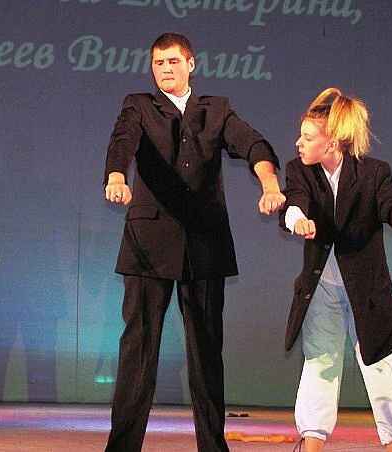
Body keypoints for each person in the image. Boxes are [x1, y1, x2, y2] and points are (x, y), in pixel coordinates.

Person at [103, 32, 284, 452]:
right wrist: (116, 177)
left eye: (172, 61)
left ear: (191, 64)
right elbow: (122, 141)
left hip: (204, 246)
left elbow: (251, 143)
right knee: (138, 352)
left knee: (206, 354)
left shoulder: (215, 110)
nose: (165, 69)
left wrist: (270, 183)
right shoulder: (139, 106)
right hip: (148, 244)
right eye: (158, 63)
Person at [279, 88, 392, 452]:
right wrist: (298, 220)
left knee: (381, 365)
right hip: (321, 290)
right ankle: (311, 444)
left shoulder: (373, 173)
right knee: (320, 363)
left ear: (332, 142)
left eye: (307, 137)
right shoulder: (299, 171)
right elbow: (293, 202)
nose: (298, 143)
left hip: (367, 291)